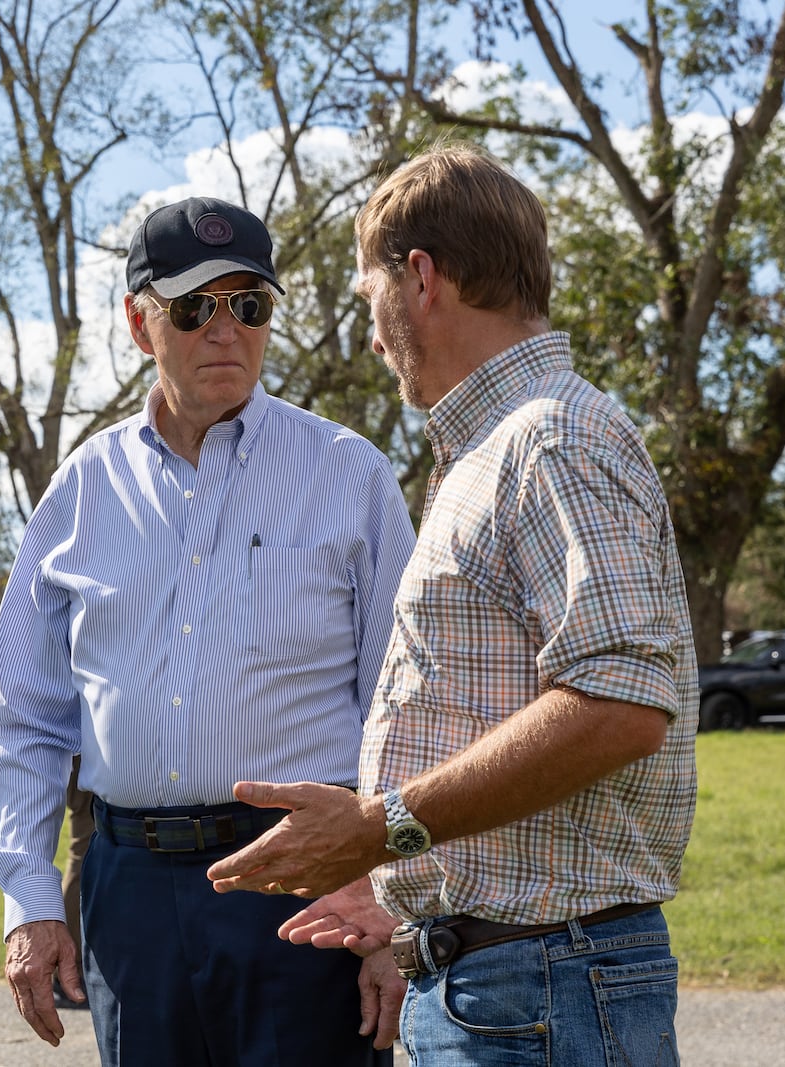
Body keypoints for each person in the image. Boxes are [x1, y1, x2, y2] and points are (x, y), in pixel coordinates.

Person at [207, 143, 700, 1066]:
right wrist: (403, 882)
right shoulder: (492, 451)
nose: (375, 336)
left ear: (420, 277)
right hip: (516, 982)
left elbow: (622, 704)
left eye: (370, 300)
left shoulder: (549, 440)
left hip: (546, 987)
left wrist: (380, 823)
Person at [0, 195, 416, 1065]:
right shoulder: (80, 490)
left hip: (306, 883)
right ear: (141, 326)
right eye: (193, 308)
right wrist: (29, 900)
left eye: (248, 304)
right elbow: (26, 719)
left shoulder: (348, 473)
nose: (226, 330)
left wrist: (385, 899)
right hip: (129, 890)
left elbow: (403, 709)